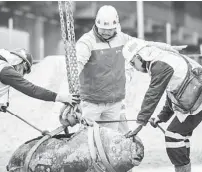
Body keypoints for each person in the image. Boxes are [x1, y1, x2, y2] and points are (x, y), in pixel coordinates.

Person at [76, 5, 185, 134]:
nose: (105, 32)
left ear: (116, 26)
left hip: (114, 104)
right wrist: (72, 96)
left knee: (111, 141)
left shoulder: (122, 38)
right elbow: (77, 65)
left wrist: (167, 47)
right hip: (91, 103)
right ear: (96, 24)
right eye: (102, 29)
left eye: (109, 29)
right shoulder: (86, 42)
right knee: (86, 139)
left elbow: (145, 44)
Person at [122, 39, 202, 172]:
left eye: (132, 63)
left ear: (138, 57)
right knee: (180, 137)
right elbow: (173, 91)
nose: (134, 67)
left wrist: (140, 123)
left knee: (173, 135)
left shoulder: (159, 65)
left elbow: (153, 95)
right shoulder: (162, 59)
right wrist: (162, 117)